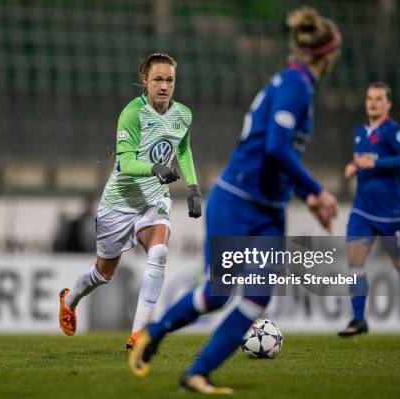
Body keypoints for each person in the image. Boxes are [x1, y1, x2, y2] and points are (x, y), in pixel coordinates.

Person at [129, 7, 340, 394]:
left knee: (252, 296)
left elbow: (275, 155)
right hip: (240, 201)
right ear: (328, 55)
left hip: (267, 210)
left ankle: (196, 373)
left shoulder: (295, 85)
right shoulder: (295, 85)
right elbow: (276, 148)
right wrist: (316, 191)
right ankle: (156, 335)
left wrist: (302, 195)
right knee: (217, 294)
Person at [58, 53, 202, 349]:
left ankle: (138, 333)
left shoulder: (183, 115)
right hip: (119, 202)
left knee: (159, 252)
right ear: (145, 80)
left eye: (170, 80)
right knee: (103, 273)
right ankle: (70, 298)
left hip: (154, 200)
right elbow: (124, 163)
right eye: (158, 79)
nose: (164, 86)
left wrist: (194, 188)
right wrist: (154, 168)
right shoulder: (132, 114)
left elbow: (183, 150)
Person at [338, 82, 400, 340]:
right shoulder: (359, 132)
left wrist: (376, 161)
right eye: (370, 98)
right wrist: (354, 167)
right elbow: (364, 161)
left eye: (379, 98)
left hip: (392, 213)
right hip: (363, 210)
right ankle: (359, 320)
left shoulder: (394, 132)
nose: (373, 103)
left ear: (388, 103)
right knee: (355, 262)